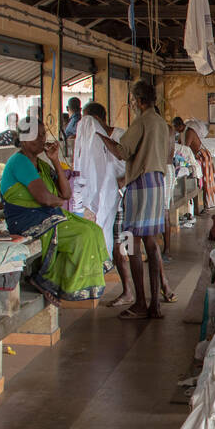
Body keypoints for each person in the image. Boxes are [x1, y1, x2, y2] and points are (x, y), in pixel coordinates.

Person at [0, 119, 109, 303]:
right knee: (82, 235)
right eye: (38, 135)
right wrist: (55, 202)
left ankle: (50, 280)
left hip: (46, 216)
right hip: (28, 221)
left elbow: (66, 193)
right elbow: (45, 199)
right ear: (25, 139)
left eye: (44, 134)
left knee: (95, 231)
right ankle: (47, 280)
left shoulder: (40, 165)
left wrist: (55, 160)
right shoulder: (20, 161)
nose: (43, 139)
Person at [99, 80, 170, 319]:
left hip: (140, 184)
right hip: (157, 184)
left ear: (139, 101)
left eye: (132, 101)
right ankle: (155, 305)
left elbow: (122, 152)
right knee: (151, 241)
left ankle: (140, 302)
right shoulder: (161, 123)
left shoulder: (141, 122)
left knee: (132, 241)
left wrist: (102, 137)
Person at [77, 102, 136, 310]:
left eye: (88, 121)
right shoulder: (90, 139)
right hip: (106, 200)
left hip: (124, 197)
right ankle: (124, 288)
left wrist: (123, 181)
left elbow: (136, 163)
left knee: (123, 244)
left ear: (98, 119)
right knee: (111, 240)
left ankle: (130, 291)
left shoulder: (120, 135)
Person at [172, 116, 215, 213]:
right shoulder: (182, 133)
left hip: (203, 156)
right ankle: (206, 205)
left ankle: (209, 205)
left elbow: (185, 148)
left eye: (175, 128)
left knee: (207, 180)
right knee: (203, 181)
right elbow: (179, 145)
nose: (175, 130)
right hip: (198, 156)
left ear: (179, 125)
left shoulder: (189, 132)